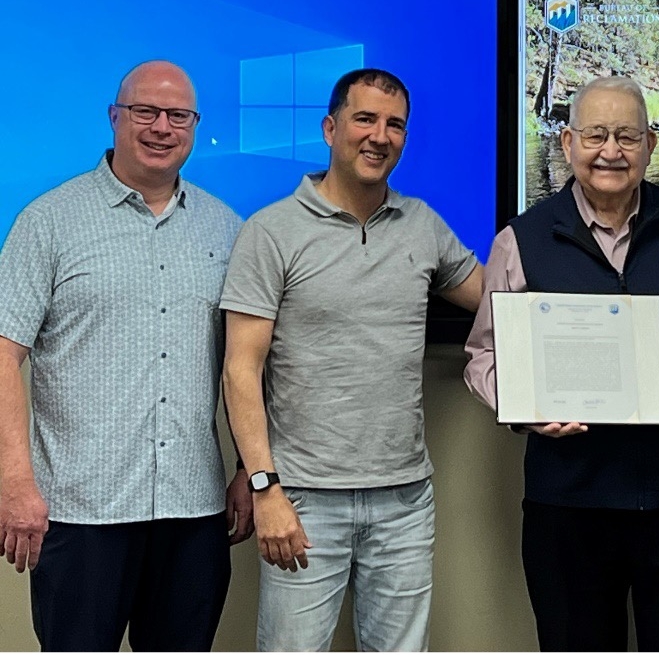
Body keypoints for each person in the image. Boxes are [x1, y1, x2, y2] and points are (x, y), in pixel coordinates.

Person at [465, 75, 659, 652]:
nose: (611, 151)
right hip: (568, 508)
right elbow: (482, 356)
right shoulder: (521, 240)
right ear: (568, 143)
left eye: (626, 135)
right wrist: (524, 406)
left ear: (650, 143)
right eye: (596, 135)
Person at [221, 68, 483, 652]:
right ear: (330, 127)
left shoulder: (422, 225)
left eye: (394, 125)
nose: (379, 136)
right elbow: (241, 370)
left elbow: (498, 301)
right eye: (364, 119)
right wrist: (265, 489)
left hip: (405, 501)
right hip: (303, 500)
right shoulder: (271, 232)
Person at [0, 61, 251, 651]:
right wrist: (15, 482)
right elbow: (5, 354)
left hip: (193, 511)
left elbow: (250, 361)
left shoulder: (227, 230)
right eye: (146, 111)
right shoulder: (48, 222)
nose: (162, 127)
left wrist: (249, 468)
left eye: (178, 115)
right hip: (82, 511)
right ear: (115, 117)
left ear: (194, 126)